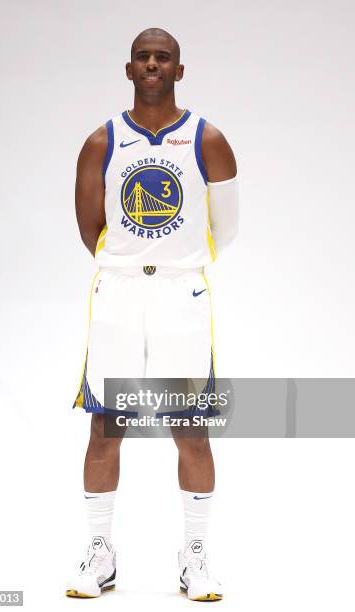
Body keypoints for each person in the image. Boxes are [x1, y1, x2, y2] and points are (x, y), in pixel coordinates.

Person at [66, 27, 239, 601]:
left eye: (163, 57)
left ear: (179, 71)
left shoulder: (206, 138)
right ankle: (99, 552)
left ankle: (195, 555)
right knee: (106, 424)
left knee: (188, 426)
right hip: (118, 294)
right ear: (128, 68)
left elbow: (226, 227)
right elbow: (89, 227)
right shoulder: (102, 140)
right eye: (143, 57)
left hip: (181, 294)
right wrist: (129, 261)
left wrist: (176, 262)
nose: (152, 65)